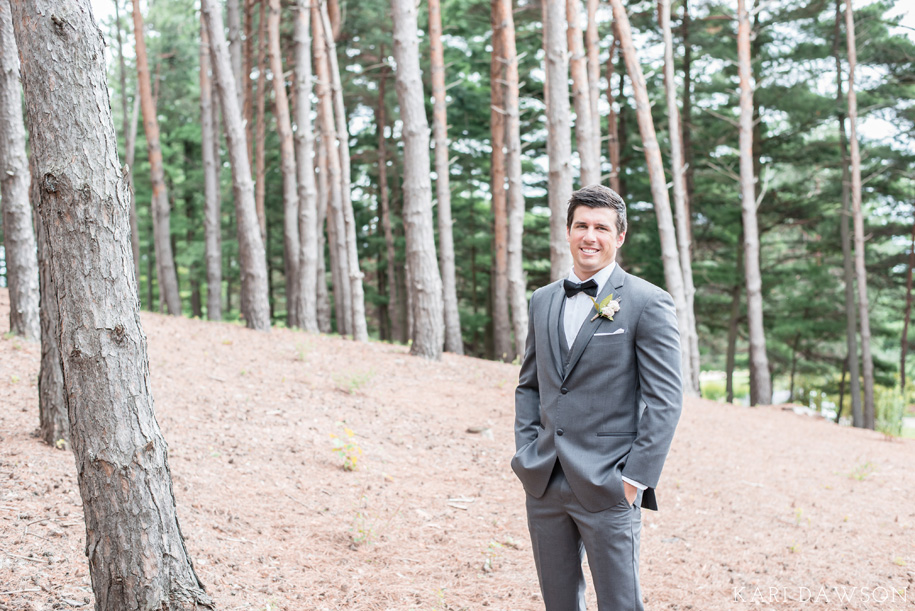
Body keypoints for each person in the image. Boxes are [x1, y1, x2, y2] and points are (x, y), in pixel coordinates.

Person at [511, 184, 683, 610]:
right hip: (545, 481)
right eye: (581, 225)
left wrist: (632, 481)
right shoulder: (542, 300)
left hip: (609, 486)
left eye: (601, 228)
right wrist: (528, 453)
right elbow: (529, 385)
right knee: (559, 603)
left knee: (620, 604)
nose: (590, 236)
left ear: (619, 237)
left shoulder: (647, 302)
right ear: (568, 232)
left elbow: (665, 401)